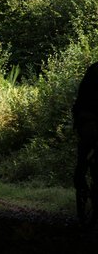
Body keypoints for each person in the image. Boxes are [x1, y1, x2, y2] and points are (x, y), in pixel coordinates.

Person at [72, 61, 98, 226]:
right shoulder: (94, 70)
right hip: (89, 117)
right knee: (85, 148)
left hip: (86, 117)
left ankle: (80, 180)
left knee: (84, 151)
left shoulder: (93, 69)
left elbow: (80, 100)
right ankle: (80, 179)